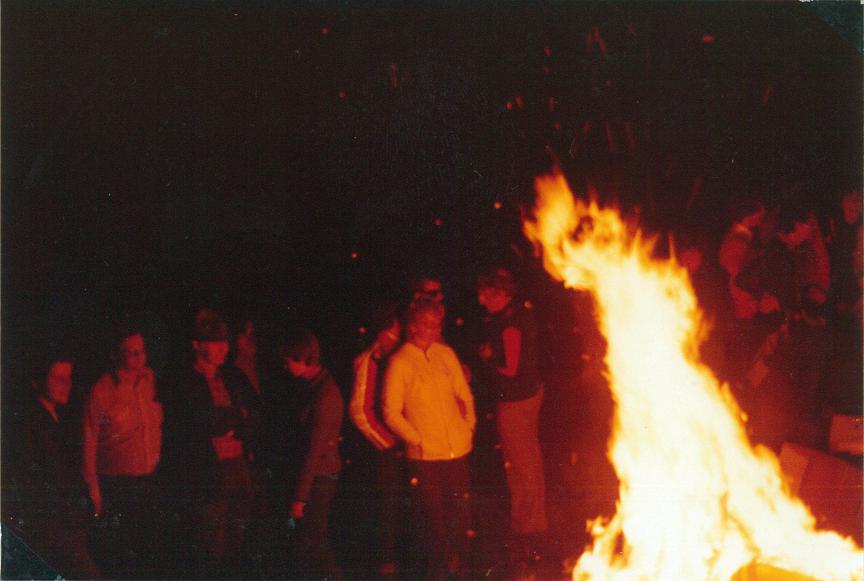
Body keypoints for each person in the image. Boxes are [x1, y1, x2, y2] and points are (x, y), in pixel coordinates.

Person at [383, 299, 476, 581]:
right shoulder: (400, 362)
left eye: (437, 325)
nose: (433, 330)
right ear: (413, 326)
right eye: (426, 324)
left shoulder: (445, 354)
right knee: (433, 525)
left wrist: (468, 427)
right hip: (425, 459)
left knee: (460, 518)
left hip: (456, 451)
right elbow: (390, 411)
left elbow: (464, 394)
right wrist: (417, 439)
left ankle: (461, 571)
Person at [161, 308, 256, 578]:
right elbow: (192, 424)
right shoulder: (183, 381)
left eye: (225, 342)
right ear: (197, 345)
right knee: (210, 548)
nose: (224, 348)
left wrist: (239, 424)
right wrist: (233, 417)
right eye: (216, 342)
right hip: (208, 476)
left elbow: (255, 412)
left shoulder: (233, 376)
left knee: (235, 546)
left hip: (238, 470)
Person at [476, 267, 547, 575]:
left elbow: (511, 368)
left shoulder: (510, 325)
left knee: (520, 462)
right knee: (528, 457)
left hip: (516, 401)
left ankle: (527, 524)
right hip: (530, 394)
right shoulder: (518, 315)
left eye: (486, 294)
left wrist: (488, 357)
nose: (481, 299)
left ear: (501, 294)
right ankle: (531, 518)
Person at [6, 352, 100, 579]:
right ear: (37, 381)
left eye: (68, 378)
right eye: (58, 379)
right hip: (54, 529)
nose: (66, 385)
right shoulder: (33, 424)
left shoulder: (55, 419)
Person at [82, 324, 163, 577]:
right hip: (117, 486)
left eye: (141, 351)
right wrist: (93, 489)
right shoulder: (102, 390)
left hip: (149, 481)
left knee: (149, 554)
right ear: (115, 354)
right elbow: (89, 441)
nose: (138, 357)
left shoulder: (150, 381)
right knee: (122, 558)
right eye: (130, 351)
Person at [278, 327, 344, 581]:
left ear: (303, 359)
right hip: (318, 476)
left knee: (315, 545)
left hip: (319, 478)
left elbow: (313, 452)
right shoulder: (314, 387)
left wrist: (300, 498)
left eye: (288, 360)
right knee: (311, 545)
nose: (285, 366)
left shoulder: (324, 395)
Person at [349, 303, 404, 578]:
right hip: (382, 449)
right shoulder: (370, 361)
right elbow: (360, 411)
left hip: (397, 446)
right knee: (386, 506)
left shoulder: (392, 357)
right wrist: (388, 442)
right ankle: (385, 562)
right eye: (395, 333)